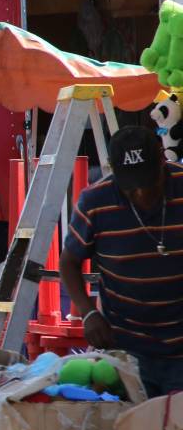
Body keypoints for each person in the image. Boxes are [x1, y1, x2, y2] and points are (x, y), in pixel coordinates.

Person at [62, 125, 183, 397]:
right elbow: (69, 262)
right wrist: (89, 313)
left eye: (149, 182)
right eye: (131, 186)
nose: (141, 193)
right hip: (126, 349)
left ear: (163, 159)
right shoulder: (95, 201)